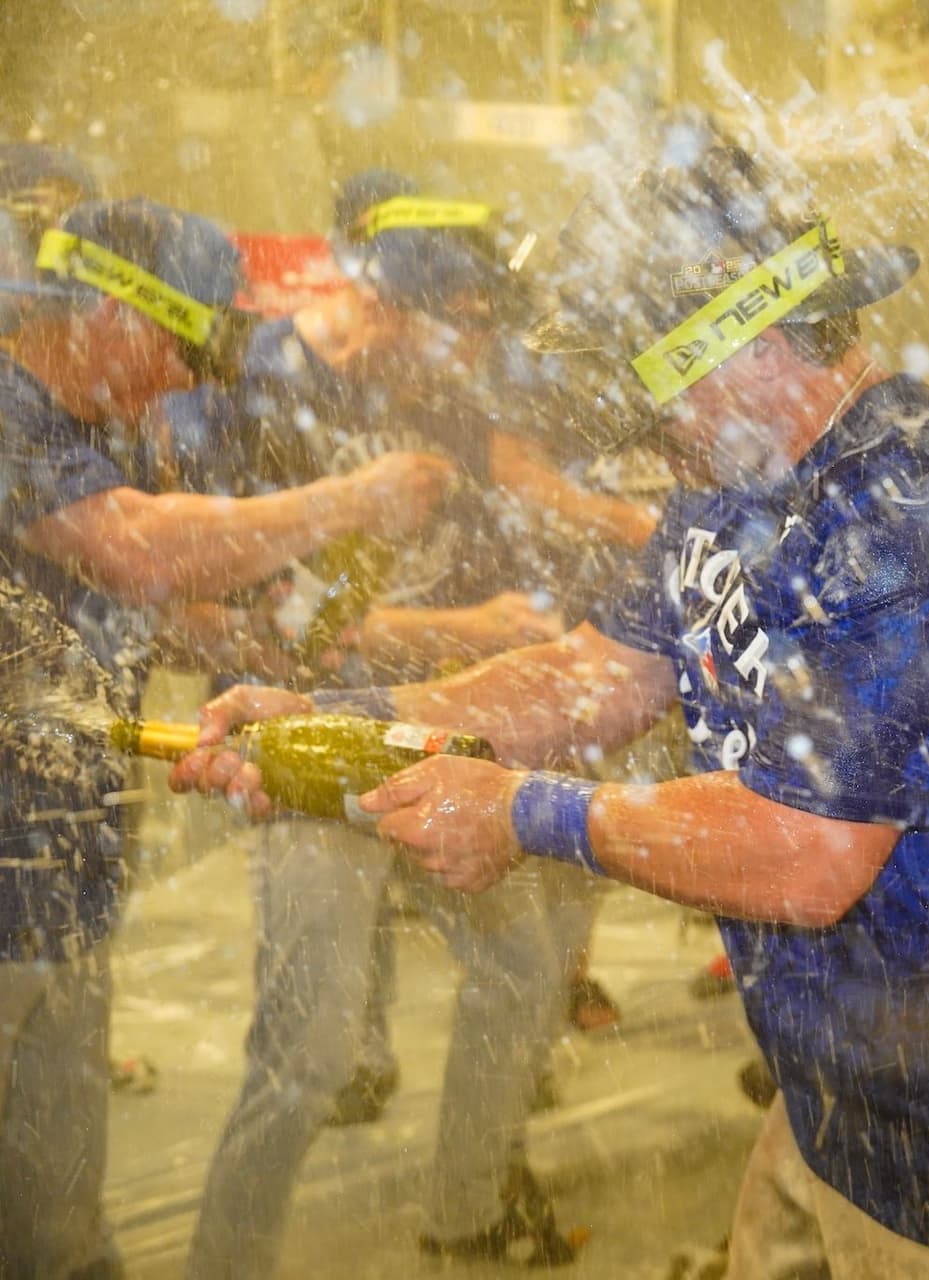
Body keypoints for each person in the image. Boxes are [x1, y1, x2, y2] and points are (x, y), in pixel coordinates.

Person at [172, 119, 929, 1279]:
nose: (645, 427)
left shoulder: (914, 518)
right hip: (839, 1093)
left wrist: (525, 812)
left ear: (746, 345)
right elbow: (595, 669)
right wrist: (339, 712)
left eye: (653, 382)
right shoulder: (733, 481)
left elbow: (807, 852)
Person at [161, 172, 609, 1275]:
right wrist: (461, 624)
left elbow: (518, 493)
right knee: (305, 1057)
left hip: (416, 729)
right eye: (455, 337)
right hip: (310, 741)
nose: (467, 370)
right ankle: (224, 1262)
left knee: (525, 966)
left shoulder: (441, 388)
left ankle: (465, 1211)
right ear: (386, 310)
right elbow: (248, 624)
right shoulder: (265, 391)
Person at [0, 196, 448, 1280]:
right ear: (108, 311)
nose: (196, 377)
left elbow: (122, 589)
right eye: (188, 339)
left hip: (62, 859)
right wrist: (350, 499)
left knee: (54, 1206)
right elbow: (140, 549)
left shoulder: (99, 422)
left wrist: (240, 633)